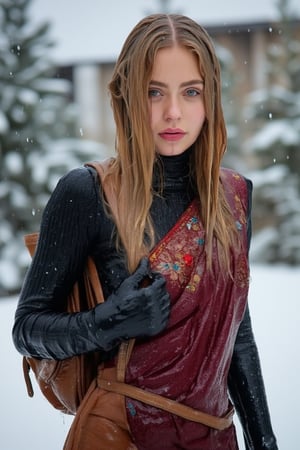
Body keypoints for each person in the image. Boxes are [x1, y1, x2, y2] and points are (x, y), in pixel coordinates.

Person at [13, 13, 278, 450]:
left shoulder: (234, 196)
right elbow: (27, 329)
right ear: (127, 96)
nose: (173, 112)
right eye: (154, 92)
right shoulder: (87, 193)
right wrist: (109, 322)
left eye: (191, 92)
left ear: (210, 98)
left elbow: (236, 332)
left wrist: (263, 437)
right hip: (121, 434)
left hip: (212, 436)